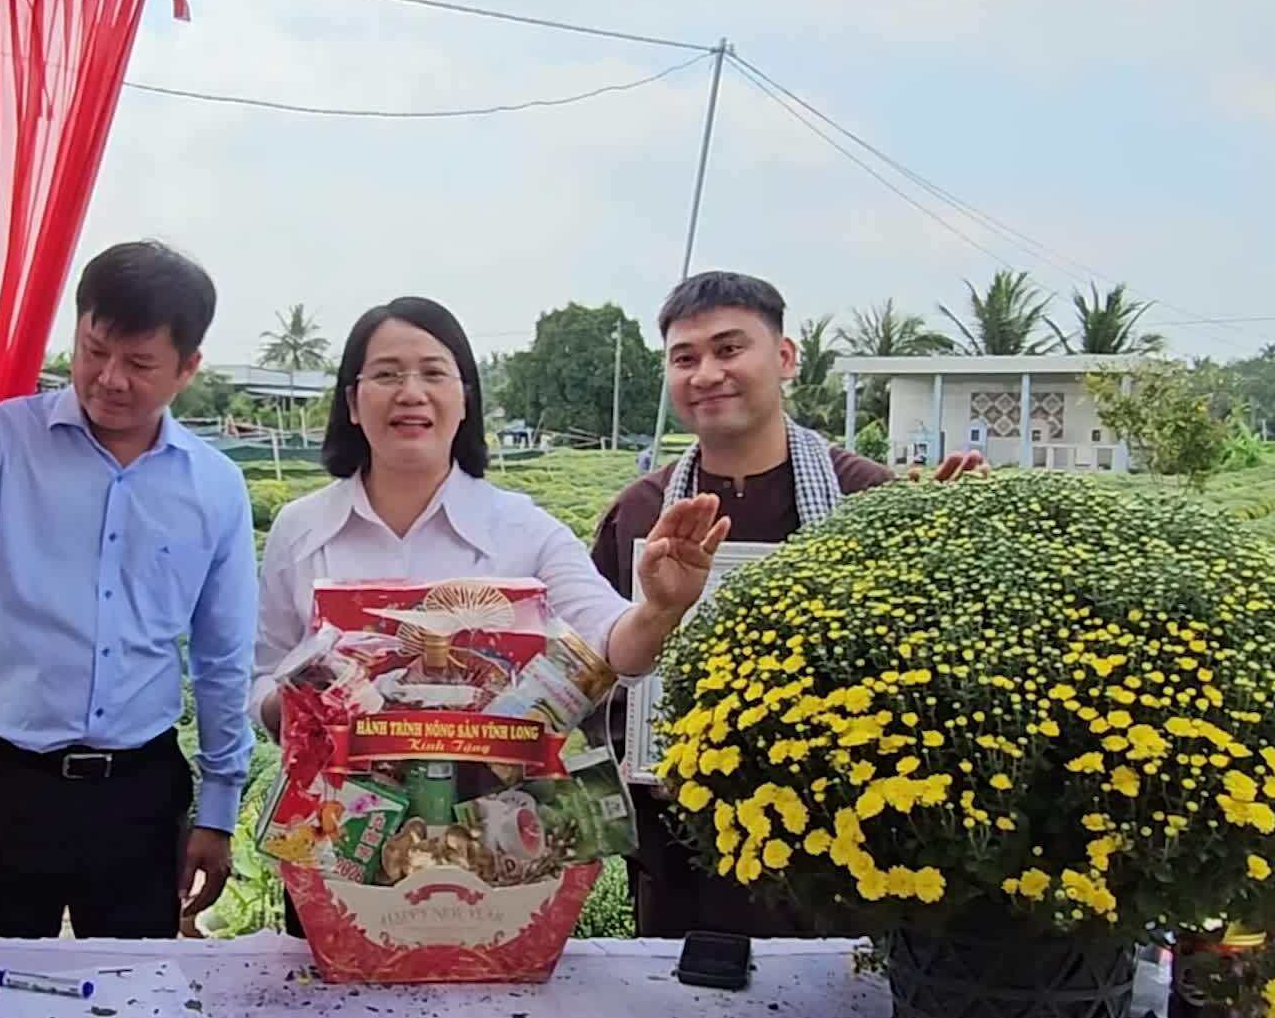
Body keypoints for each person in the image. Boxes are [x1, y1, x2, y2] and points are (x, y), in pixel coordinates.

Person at [252, 294, 731, 935]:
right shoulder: (301, 529)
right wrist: (307, 706)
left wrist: (661, 608)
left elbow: (612, 644)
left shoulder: (523, 530)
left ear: (465, 397)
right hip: (341, 850)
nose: (410, 392)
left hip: (495, 859)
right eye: (387, 374)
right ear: (352, 401)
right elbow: (260, 674)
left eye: (432, 372)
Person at [588, 270, 981, 939]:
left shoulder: (868, 499)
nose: (707, 373)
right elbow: (596, 670)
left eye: (729, 348)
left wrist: (947, 548)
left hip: (835, 842)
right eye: (685, 358)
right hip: (678, 846)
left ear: (786, 357)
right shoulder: (642, 513)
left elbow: (930, 664)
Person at [0, 240, 253, 940]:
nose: (109, 378)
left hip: (140, 797)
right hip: (3, 782)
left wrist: (219, 811)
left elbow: (222, 655)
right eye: (93, 350)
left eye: (139, 364)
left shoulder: (215, 486)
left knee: (136, 999)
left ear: (187, 369)